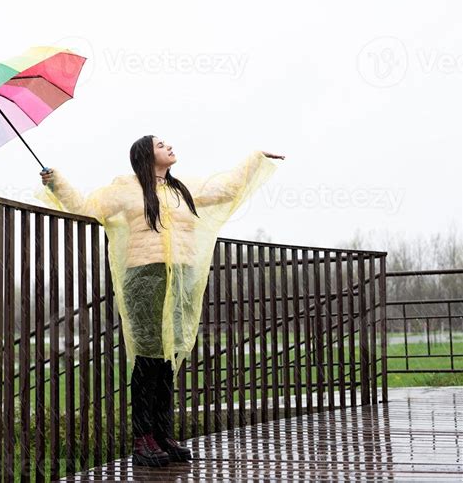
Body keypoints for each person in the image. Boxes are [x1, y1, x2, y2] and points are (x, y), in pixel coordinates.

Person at [37, 135, 284, 468]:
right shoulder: (126, 189)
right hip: (145, 277)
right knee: (149, 359)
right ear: (145, 155)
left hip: (179, 278)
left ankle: (163, 433)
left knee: (168, 359)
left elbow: (224, 190)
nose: (169, 147)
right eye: (160, 144)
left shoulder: (180, 190)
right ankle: (142, 439)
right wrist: (56, 182)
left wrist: (254, 159)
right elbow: (86, 208)